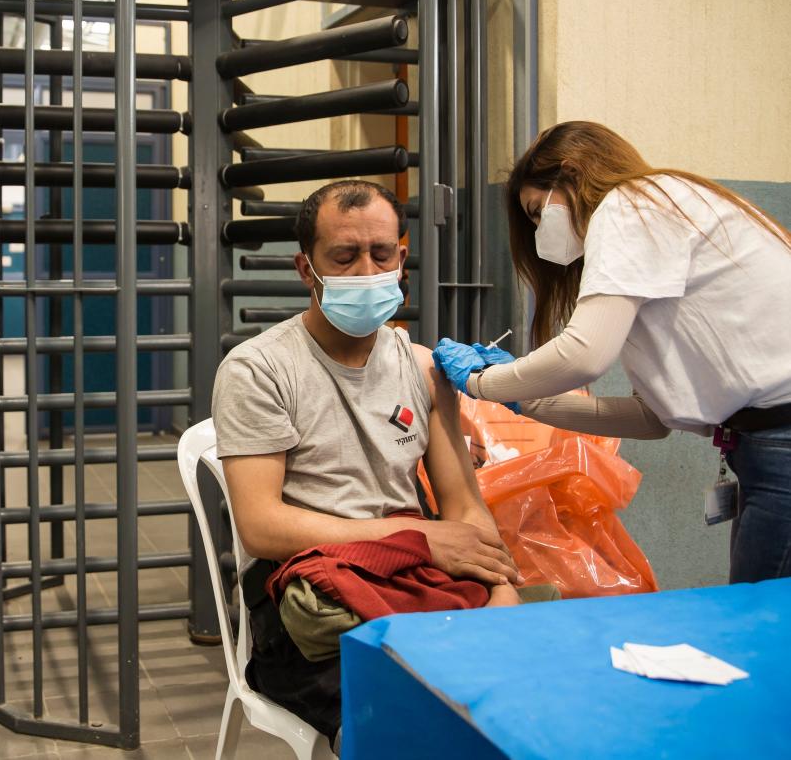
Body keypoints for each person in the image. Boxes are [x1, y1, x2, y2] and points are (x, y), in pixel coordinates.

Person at [212, 180, 521, 746]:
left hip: (416, 582)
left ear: (402, 260)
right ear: (307, 270)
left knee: (523, 698)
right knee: (415, 724)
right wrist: (416, 536)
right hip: (309, 609)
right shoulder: (257, 371)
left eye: (380, 255)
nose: (365, 271)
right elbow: (260, 524)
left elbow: (463, 507)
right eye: (344, 256)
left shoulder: (424, 368)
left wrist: (500, 589)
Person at [433, 120, 791, 584]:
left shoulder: (631, 206)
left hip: (779, 440)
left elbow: (584, 356)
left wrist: (483, 383)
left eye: (539, 211)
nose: (541, 230)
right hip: (762, 443)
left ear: (571, 175)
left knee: (761, 621)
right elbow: (653, 418)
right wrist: (528, 401)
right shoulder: (666, 212)